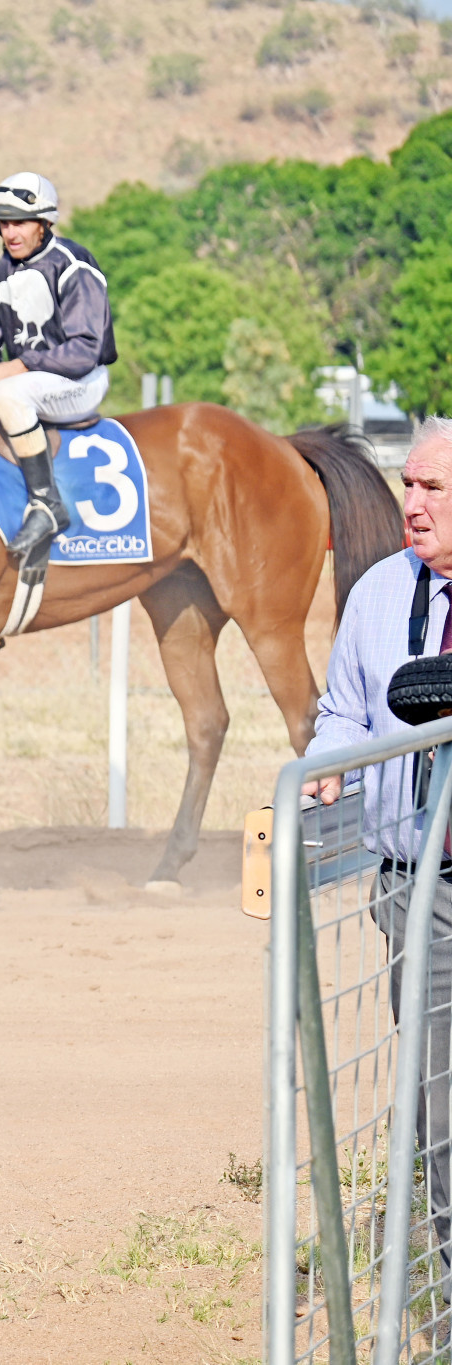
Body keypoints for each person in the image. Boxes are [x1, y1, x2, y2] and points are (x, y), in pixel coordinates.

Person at [305, 416, 452, 1308]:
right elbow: (343, 712)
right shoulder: (375, 595)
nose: (412, 504)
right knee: (438, 1111)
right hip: (416, 893)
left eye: (433, 489)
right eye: (409, 485)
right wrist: (325, 771)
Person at [0, 171, 118, 563]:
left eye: (19, 222)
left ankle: (47, 503)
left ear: (44, 223)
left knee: (7, 393)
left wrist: (17, 366)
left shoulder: (74, 265)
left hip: (80, 381)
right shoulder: (5, 269)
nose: (10, 233)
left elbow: (85, 350)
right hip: (30, 378)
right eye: (3, 224)